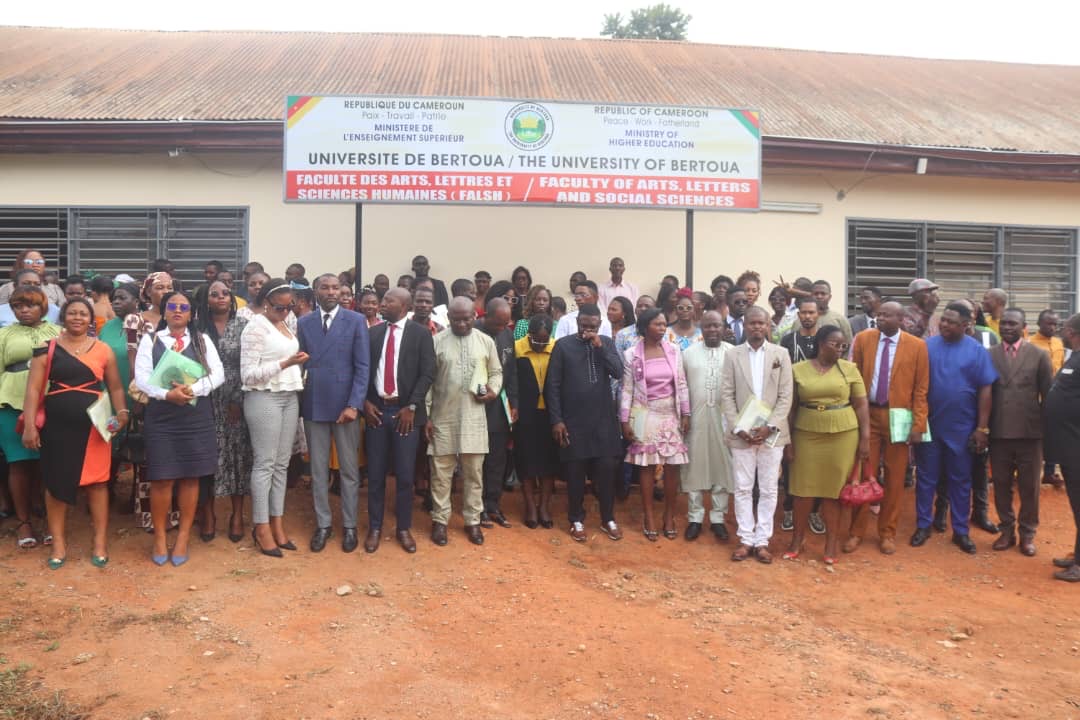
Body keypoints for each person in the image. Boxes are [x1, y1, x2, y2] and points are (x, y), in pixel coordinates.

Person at [21, 298, 128, 569]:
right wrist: (30, 426)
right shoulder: (47, 348)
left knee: (97, 483)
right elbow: (33, 389)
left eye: (83, 313)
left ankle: (100, 542)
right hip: (56, 426)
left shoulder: (103, 349)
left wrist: (122, 413)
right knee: (55, 484)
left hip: (95, 427)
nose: (77, 317)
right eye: (72, 313)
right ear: (63, 317)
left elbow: (116, 387)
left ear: (91, 319)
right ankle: (58, 543)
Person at [135, 291, 225, 566]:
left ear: (191, 314)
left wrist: (192, 390)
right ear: (163, 312)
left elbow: (218, 374)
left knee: (190, 477)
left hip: (195, 417)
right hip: (162, 418)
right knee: (161, 478)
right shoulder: (150, 340)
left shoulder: (201, 340)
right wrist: (167, 395)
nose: (177, 310)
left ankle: (183, 536)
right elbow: (141, 378)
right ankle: (160, 537)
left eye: (183, 307)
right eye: (172, 306)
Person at [910, 302, 997, 554]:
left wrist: (982, 428)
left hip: (961, 426)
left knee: (961, 480)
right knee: (925, 478)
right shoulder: (926, 346)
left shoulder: (977, 351)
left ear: (966, 325)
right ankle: (923, 525)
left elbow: (986, 389)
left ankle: (960, 531)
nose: (944, 324)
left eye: (951, 322)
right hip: (929, 424)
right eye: (943, 320)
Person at [846, 301, 929, 555]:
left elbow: (921, 389)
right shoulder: (863, 339)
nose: (879, 319)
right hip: (867, 415)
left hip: (899, 417)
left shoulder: (917, 346)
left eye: (885, 315)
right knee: (863, 473)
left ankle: (887, 533)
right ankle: (856, 532)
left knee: (895, 478)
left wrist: (918, 424)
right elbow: (854, 378)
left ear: (901, 319)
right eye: (878, 315)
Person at [785, 325, 870, 565]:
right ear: (821, 344)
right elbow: (790, 408)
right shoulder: (798, 369)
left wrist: (865, 438)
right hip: (806, 433)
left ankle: (831, 542)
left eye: (844, 345)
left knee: (834, 491)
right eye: (836, 344)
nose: (840, 349)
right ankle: (797, 539)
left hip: (843, 435)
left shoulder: (849, 369)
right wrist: (787, 441)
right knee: (802, 490)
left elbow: (861, 405)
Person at [297, 274, 369, 553]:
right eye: (325, 287)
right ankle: (323, 524)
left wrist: (354, 405)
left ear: (342, 292)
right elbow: (301, 364)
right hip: (314, 403)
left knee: (349, 470)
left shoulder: (355, 320)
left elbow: (362, 367)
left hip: (345, 406)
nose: (330, 292)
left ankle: (349, 525)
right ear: (315, 291)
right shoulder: (304, 322)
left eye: (335, 287)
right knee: (318, 470)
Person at [425, 297, 502, 546]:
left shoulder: (486, 341)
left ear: (474, 316)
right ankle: (440, 521)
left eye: (466, 319)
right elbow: (427, 382)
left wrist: (492, 391)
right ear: (448, 318)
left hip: (474, 418)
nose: (461, 324)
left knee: (474, 473)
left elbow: (496, 372)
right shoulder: (436, 342)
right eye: (456, 319)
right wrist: (427, 416)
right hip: (442, 416)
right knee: (441, 473)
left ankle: (472, 520)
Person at [364, 288, 435, 554]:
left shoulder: (420, 334)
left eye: (388, 300)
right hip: (377, 411)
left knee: (405, 475)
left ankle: (403, 528)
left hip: (406, 414)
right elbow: (363, 370)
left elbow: (428, 373)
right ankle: (374, 527)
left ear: (404, 306)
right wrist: (365, 402)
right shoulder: (373, 333)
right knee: (375, 474)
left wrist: (412, 406)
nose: (382, 304)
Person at [240, 280, 307, 558]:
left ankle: (277, 522)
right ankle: (261, 526)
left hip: (289, 396)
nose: (285, 311)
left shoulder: (287, 323)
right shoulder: (255, 327)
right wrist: (286, 363)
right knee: (265, 464)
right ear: (266, 303)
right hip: (264, 397)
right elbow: (248, 375)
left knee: (282, 464)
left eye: (290, 306)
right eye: (279, 307)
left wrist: (295, 362)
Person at [547, 304, 624, 542]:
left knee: (607, 471)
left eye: (593, 326)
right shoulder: (563, 346)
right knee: (575, 473)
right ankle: (576, 519)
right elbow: (552, 385)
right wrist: (557, 420)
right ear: (577, 322)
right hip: (574, 421)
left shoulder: (606, 343)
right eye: (584, 325)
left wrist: (600, 347)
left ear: (600, 325)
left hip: (603, 421)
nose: (588, 330)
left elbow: (618, 372)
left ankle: (608, 518)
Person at [721, 307, 792, 563]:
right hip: (742, 433)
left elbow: (786, 396)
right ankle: (745, 539)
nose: (757, 327)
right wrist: (739, 427)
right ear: (746, 325)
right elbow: (726, 394)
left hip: (772, 434)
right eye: (752, 323)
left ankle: (762, 541)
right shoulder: (732, 355)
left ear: (768, 325)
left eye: (761, 323)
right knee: (742, 487)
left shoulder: (781, 354)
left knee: (769, 488)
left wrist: (769, 426)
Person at [620, 307, 690, 541]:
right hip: (645, 414)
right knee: (647, 466)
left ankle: (669, 516)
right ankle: (649, 516)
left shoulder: (674, 351)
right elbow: (627, 389)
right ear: (645, 326)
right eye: (657, 324)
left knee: (672, 466)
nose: (662, 328)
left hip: (670, 413)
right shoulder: (632, 354)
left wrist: (686, 414)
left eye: (664, 324)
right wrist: (624, 420)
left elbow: (681, 384)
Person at [987, 308, 1052, 556]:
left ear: (1024, 327)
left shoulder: (1039, 355)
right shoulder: (989, 354)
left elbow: (1048, 396)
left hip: (1030, 433)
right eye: (1004, 323)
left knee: (1030, 486)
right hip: (998, 431)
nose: (1006, 327)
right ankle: (1006, 531)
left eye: (1012, 323)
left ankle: (1027, 534)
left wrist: (1046, 432)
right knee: (1001, 484)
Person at [0, 286, 60, 549]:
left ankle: (49, 520)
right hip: (10, 402)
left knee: (48, 464)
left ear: (43, 306)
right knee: (19, 463)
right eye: (18, 306)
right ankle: (24, 522)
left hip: (50, 404)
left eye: (31, 305)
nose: (24, 310)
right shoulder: (4, 334)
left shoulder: (58, 333)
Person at [193, 279, 251, 543]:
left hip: (236, 400)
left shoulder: (244, 326)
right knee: (208, 456)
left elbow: (249, 363)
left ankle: (237, 514)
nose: (221, 297)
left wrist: (236, 399)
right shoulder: (197, 327)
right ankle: (208, 513)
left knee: (238, 456)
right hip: (205, 399)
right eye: (214, 294)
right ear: (206, 300)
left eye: (225, 293)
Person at [682, 311, 735, 541]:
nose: (712, 330)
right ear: (700, 328)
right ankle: (695, 517)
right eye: (708, 326)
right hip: (695, 419)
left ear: (723, 327)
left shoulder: (734, 353)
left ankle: (718, 518)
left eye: (716, 325)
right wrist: (684, 415)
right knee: (695, 465)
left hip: (724, 420)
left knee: (722, 465)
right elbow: (681, 387)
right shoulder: (688, 354)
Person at [1043, 312, 1080, 582]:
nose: (1062, 331)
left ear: (1072, 332)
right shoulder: (1074, 357)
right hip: (1068, 445)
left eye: (1065, 327)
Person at [514, 314, 559, 529]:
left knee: (548, 462)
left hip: (550, 414)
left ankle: (544, 507)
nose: (540, 344)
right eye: (536, 340)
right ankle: (530, 506)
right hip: (525, 414)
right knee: (527, 460)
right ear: (528, 334)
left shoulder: (557, 348)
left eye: (544, 340)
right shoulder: (517, 348)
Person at [477, 298, 518, 528]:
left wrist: (514, 403)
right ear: (487, 316)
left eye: (506, 324)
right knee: (478, 461)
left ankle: (493, 504)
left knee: (497, 459)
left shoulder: (507, 335)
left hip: (500, 408)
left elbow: (511, 372)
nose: (502, 328)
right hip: (475, 405)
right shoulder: (472, 332)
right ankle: (478, 507)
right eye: (498, 323)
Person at [1031, 309, 1066, 488]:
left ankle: (1050, 472)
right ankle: (1023, 472)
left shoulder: (1059, 343)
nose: (1052, 327)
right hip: (1035, 398)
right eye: (1048, 323)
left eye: (1055, 324)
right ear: (1039, 323)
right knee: (1033, 434)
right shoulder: (1030, 344)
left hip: (1056, 398)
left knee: (1053, 435)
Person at [0, 250, 65, 306]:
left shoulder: (54, 289)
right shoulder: (7, 288)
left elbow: (63, 311)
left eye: (39, 262)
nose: (35, 265)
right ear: (20, 263)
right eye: (29, 262)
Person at [780, 298, 820, 364]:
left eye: (811, 312)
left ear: (818, 314)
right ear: (798, 314)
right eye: (803, 312)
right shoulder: (787, 340)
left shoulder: (825, 339)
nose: (807, 316)